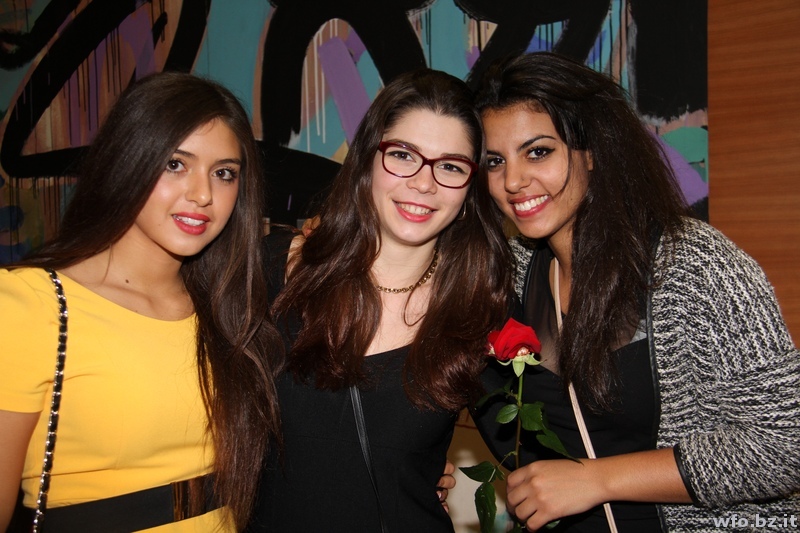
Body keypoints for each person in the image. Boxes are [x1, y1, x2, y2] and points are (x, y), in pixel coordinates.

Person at [472, 51, 800, 532]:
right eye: (495, 161)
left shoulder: (694, 266)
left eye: (538, 151)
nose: (513, 181)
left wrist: (598, 479)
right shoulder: (512, 272)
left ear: (591, 151)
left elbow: (786, 444)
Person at [0, 72, 283, 532]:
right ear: (128, 160)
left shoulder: (229, 311)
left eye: (224, 173)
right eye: (175, 164)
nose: (203, 194)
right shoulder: (29, 306)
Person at [247, 68, 514, 532]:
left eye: (451, 166)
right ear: (369, 158)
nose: (424, 183)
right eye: (403, 155)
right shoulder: (272, 271)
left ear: (470, 188)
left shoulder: (479, 312)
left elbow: (547, 452)